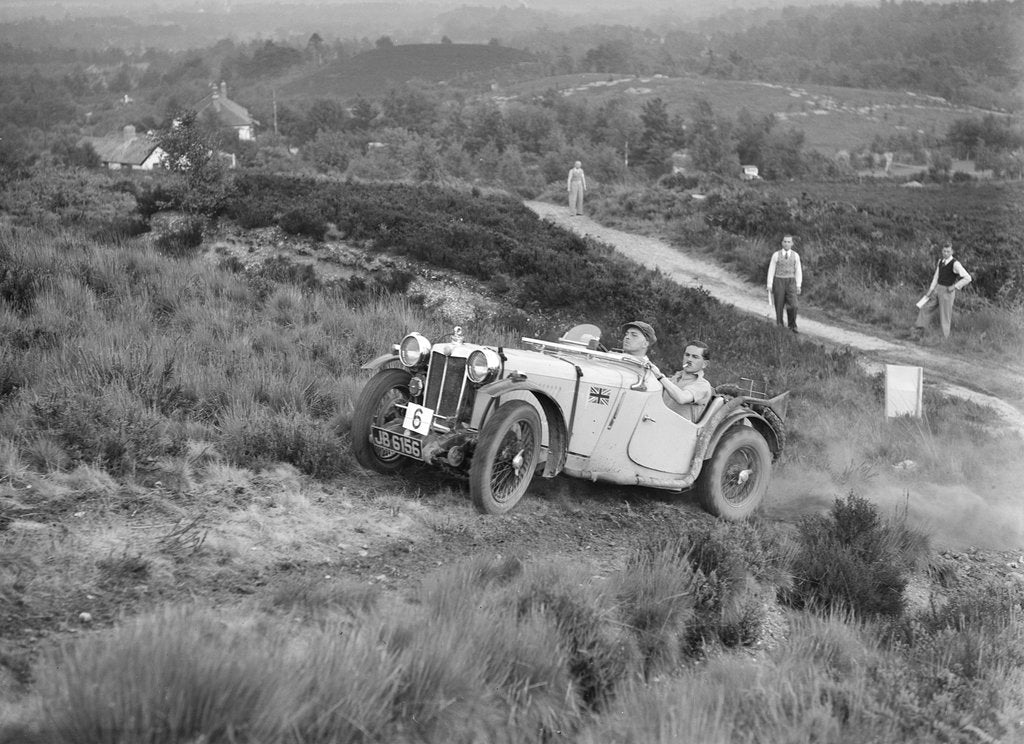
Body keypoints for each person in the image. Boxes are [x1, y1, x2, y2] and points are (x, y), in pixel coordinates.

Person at [914, 242, 971, 339]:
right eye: (944, 251)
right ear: (942, 251)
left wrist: (955, 286)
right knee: (926, 308)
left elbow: (968, 278)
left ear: (952, 252)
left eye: (948, 251)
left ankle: (945, 338)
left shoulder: (955, 264)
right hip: (938, 289)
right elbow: (936, 277)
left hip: (947, 292)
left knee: (945, 316)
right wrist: (930, 290)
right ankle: (919, 331)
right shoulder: (941, 261)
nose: (946, 253)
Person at [650, 342, 714, 421]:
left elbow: (682, 398)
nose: (689, 359)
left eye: (695, 357)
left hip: (677, 427)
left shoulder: (702, 385)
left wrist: (659, 376)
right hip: (657, 421)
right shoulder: (674, 378)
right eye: (687, 355)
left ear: (705, 364)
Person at [766, 235, 803, 333]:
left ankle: (792, 325)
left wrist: (798, 285)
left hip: (791, 281)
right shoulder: (776, 255)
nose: (786, 244)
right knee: (779, 304)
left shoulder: (795, 255)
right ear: (782, 243)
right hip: (779, 281)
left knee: (794, 305)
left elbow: (798, 271)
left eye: (788, 242)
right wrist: (769, 284)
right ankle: (780, 325)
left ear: (792, 243)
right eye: (785, 241)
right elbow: (771, 270)